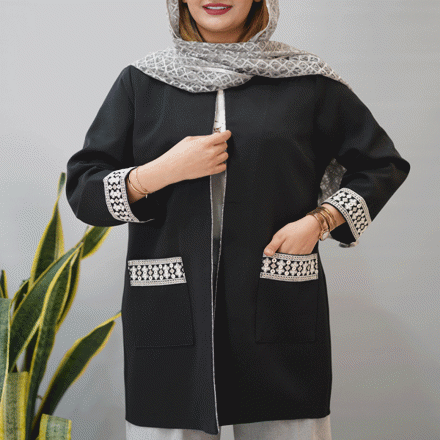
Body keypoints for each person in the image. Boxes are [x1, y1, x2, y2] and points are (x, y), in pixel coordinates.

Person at [65, 0, 410, 439]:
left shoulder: (306, 81)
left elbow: (382, 165)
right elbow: (84, 191)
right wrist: (162, 171)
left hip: (275, 300)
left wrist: (320, 221)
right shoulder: (142, 82)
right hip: (172, 307)